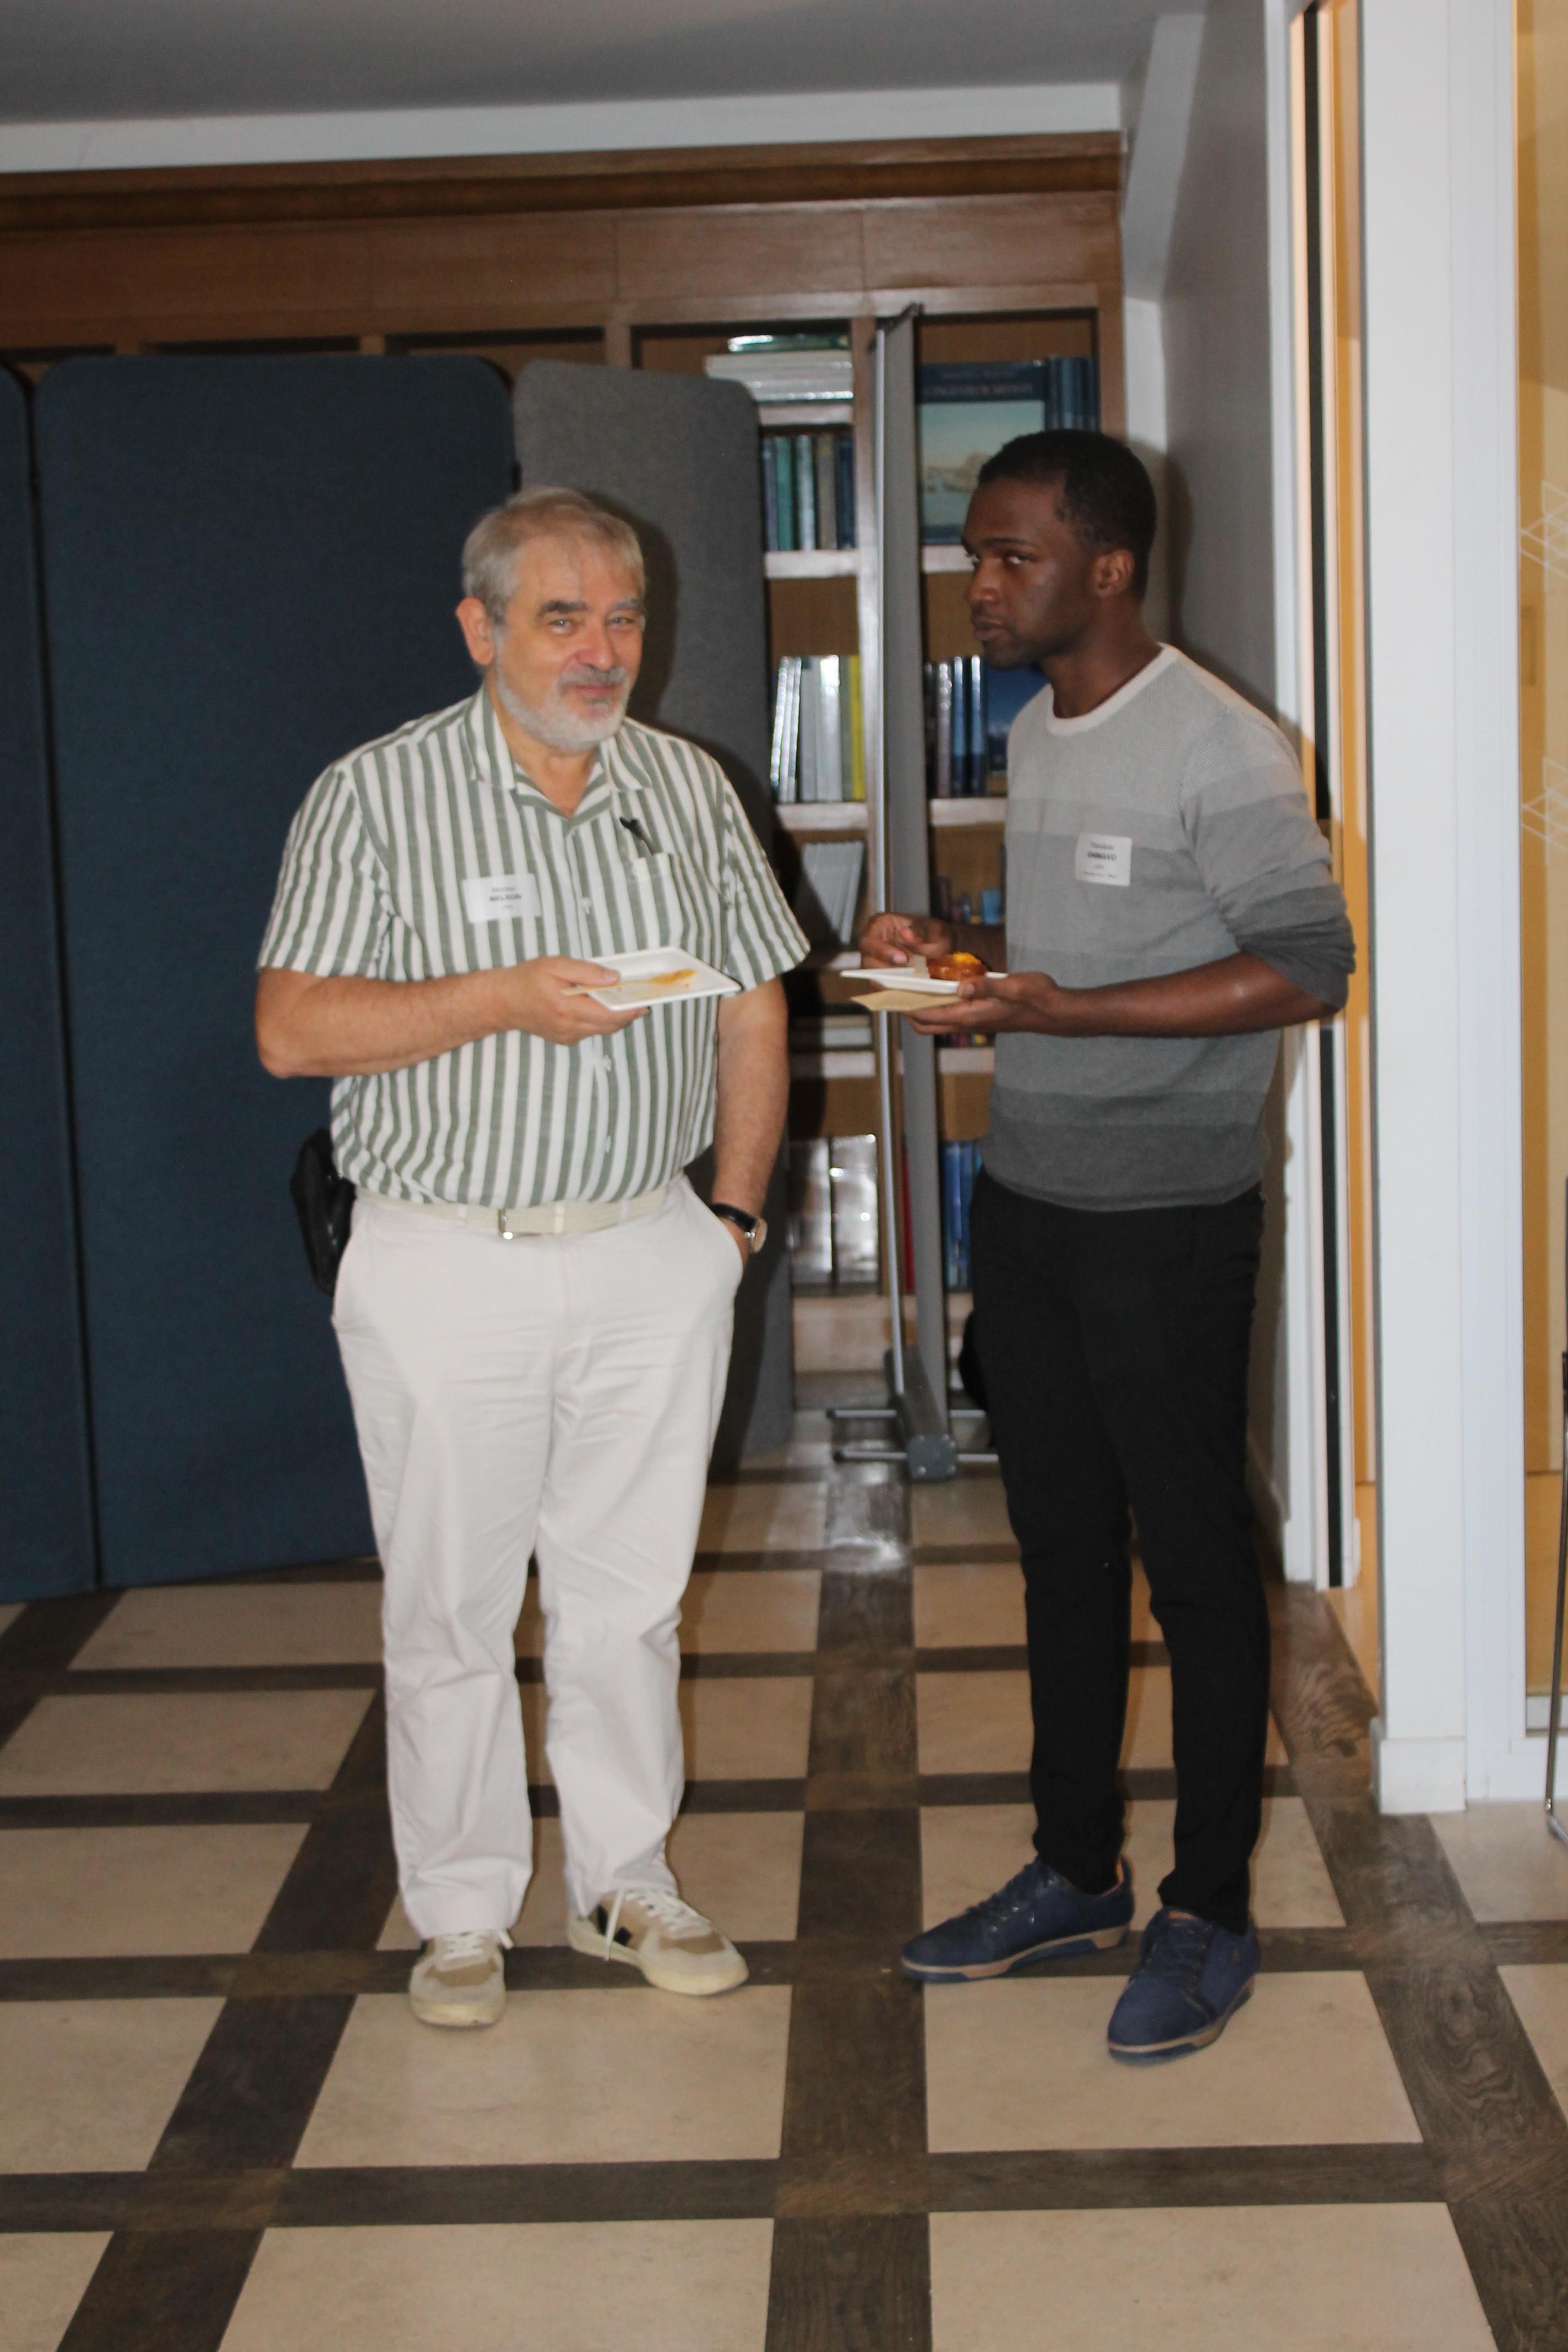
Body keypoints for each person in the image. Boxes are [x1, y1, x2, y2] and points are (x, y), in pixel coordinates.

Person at [256, 487, 808, 2029]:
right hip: (446, 1257)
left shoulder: (686, 787)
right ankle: (459, 1913)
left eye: (623, 617)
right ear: (479, 628)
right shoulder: (375, 796)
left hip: (650, 1249)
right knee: (450, 1606)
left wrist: (732, 1221)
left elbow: (757, 1000)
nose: (601, 652)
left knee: (629, 1602)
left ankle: (627, 1882)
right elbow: (291, 1029)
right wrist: (498, 998)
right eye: (562, 618)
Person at [860, 431, 1354, 2060]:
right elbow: (1092, 943)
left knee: (1197, 1568)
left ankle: (1209, 1910)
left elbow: (1308, 964)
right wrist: (959, 953)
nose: (981, 586)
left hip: (1169, 1222)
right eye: (976, 557)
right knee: (1061, 1554)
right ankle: (1075, 1871)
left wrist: (1057, 1010)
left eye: (1013, 557)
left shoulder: (1221, 744)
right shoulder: (1039, 729)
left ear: (1112, 568)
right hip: (1031, 1204)